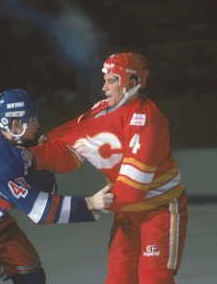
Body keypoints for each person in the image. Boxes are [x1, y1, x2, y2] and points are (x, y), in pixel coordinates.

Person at [0, 88, 113, 284]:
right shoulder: (0, 160)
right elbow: (40, 211)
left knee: (31, 278)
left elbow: (47, 192)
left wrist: (43, 159)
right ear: (16, 124)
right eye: (32, 119)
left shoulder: (17, 145)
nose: (38, 124)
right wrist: (90, 203)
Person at [31, 52, 188, 284]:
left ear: (132, 82)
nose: (104, 87)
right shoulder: (103, 108)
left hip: (159, 210)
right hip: (126, 212)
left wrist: (87, 206)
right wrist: (29, 156)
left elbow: (134, 188)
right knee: (118, 278)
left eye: (112, 80)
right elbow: (68, 144)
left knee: (154, 278)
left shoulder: (148, 119)